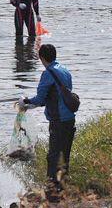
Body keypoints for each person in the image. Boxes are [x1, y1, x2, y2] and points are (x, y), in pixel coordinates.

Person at [19, 44, 75, 199]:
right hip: (70, 118)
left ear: (41, 58)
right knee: (65, 154)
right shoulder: (64, 70)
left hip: (58, 120)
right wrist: (33, 103)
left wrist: (26, 101)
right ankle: (63, 187)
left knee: (53, 155)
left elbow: (40, 98)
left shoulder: (48, 73)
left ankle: (52, 190)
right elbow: (53, 96)